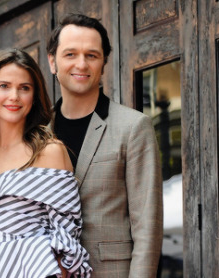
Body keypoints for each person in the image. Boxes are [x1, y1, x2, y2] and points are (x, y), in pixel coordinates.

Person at [0, 48, 92, 277]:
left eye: (24, 88)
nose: (14, 97)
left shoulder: (52, 152)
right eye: (4, 86)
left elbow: (67, 231)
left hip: (36, 268)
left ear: (34, 96)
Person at [46, 13, 163, 277]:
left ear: (103, 62)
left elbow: (148, 228)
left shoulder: (133, 127)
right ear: (52, 62)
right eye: (70, 54)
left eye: (92, 55)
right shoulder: (37, 134)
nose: (81, 64)